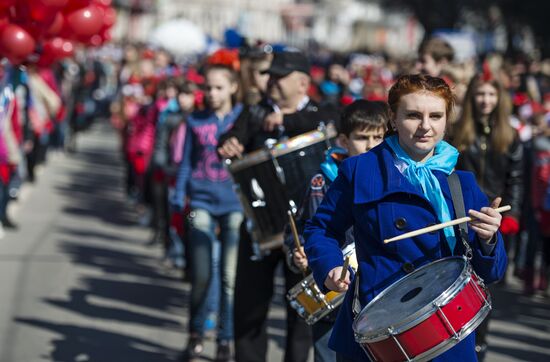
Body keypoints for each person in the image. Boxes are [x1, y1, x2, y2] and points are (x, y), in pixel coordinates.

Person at [304, 74, 508, 361]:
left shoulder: (462, 182)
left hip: (444, 334)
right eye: (413, 115)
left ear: (447, 120)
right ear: (393, 118)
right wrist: (330, 267)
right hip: (376, 328)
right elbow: (321, 228)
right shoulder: (359, 170)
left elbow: (492, 273)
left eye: (435, 116)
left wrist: (489, 239)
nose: (426, 126)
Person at [217, 49, 339, 362]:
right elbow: (233, 135)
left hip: (305, 227)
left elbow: (331, 123)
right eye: (270, 75)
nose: (271, 81)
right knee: (249, 305)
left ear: (302, 82)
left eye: (280, 76)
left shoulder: (319, 111)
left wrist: (287, 119)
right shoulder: (255, 111)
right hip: (261, 225)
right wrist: (229, 142)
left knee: (301, 311)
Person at [285, 100, 389, 362]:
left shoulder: (393, 177)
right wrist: (296, 253)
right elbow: (301, 229)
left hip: (379, 293)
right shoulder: (323, 181)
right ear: (343, 139)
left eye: (378, 137)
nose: (371, 145)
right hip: (334, 295)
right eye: (362, 137)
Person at [172, 64, 244, 362]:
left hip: (234, 204)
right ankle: (196, 333)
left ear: (232, 88)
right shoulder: (194, 120)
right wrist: (179, 195)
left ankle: (226, 339)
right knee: (202, 273)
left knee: (229, 276)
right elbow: (187, 161)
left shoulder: (242, 119)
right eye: (208, 88)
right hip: (200, 200)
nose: (212, 94)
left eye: (219, 87)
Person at [450, 72, 523, 360]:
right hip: (463, 213)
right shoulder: (458, 132)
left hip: (495, 215)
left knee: (485, 281)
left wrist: (513, 212)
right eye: (480, 94)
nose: (485, 100)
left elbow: (516, 178)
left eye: (491, 95)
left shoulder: (510, 134)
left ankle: (480, 339)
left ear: (499, 99)